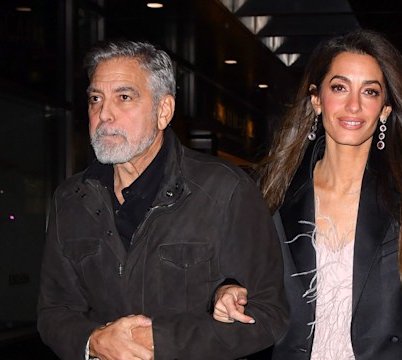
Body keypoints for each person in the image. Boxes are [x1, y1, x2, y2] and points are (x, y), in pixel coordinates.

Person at [213, 29, 402, 359]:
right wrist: (226, 290)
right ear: (316, 99)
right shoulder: (275, 197)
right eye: (339, 88)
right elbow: (238, 273)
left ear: (385, 109)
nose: (353, 105)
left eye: (369, 92)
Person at [37, 39, 289, 360]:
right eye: (95, 99)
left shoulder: (225, 189)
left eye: (124, 97)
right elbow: (54, 310)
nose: (104, 114)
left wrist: (158, 341)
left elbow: (268, 313)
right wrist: (92, 341)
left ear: (163, 110)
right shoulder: (71, 199)